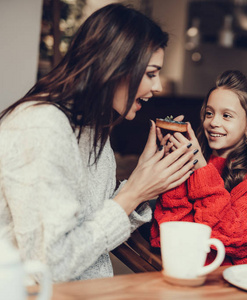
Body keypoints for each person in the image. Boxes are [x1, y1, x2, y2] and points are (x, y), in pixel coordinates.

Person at [0, 4, 198, 283]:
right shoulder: (41, 126)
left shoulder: (92, 131)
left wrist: (141, 182)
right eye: (151, 73)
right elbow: (49, 266)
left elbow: (97, 227)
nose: (159, 87)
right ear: (116, 67)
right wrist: (133, 193)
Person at [150, 70, 247, 265]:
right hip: (181, 270)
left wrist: (202, 172)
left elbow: (236, 238)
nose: (213, 122)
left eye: (227, 115)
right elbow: (168, 233)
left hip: (229, 282)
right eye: (209, 113)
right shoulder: (186, 164)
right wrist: (174, 165)